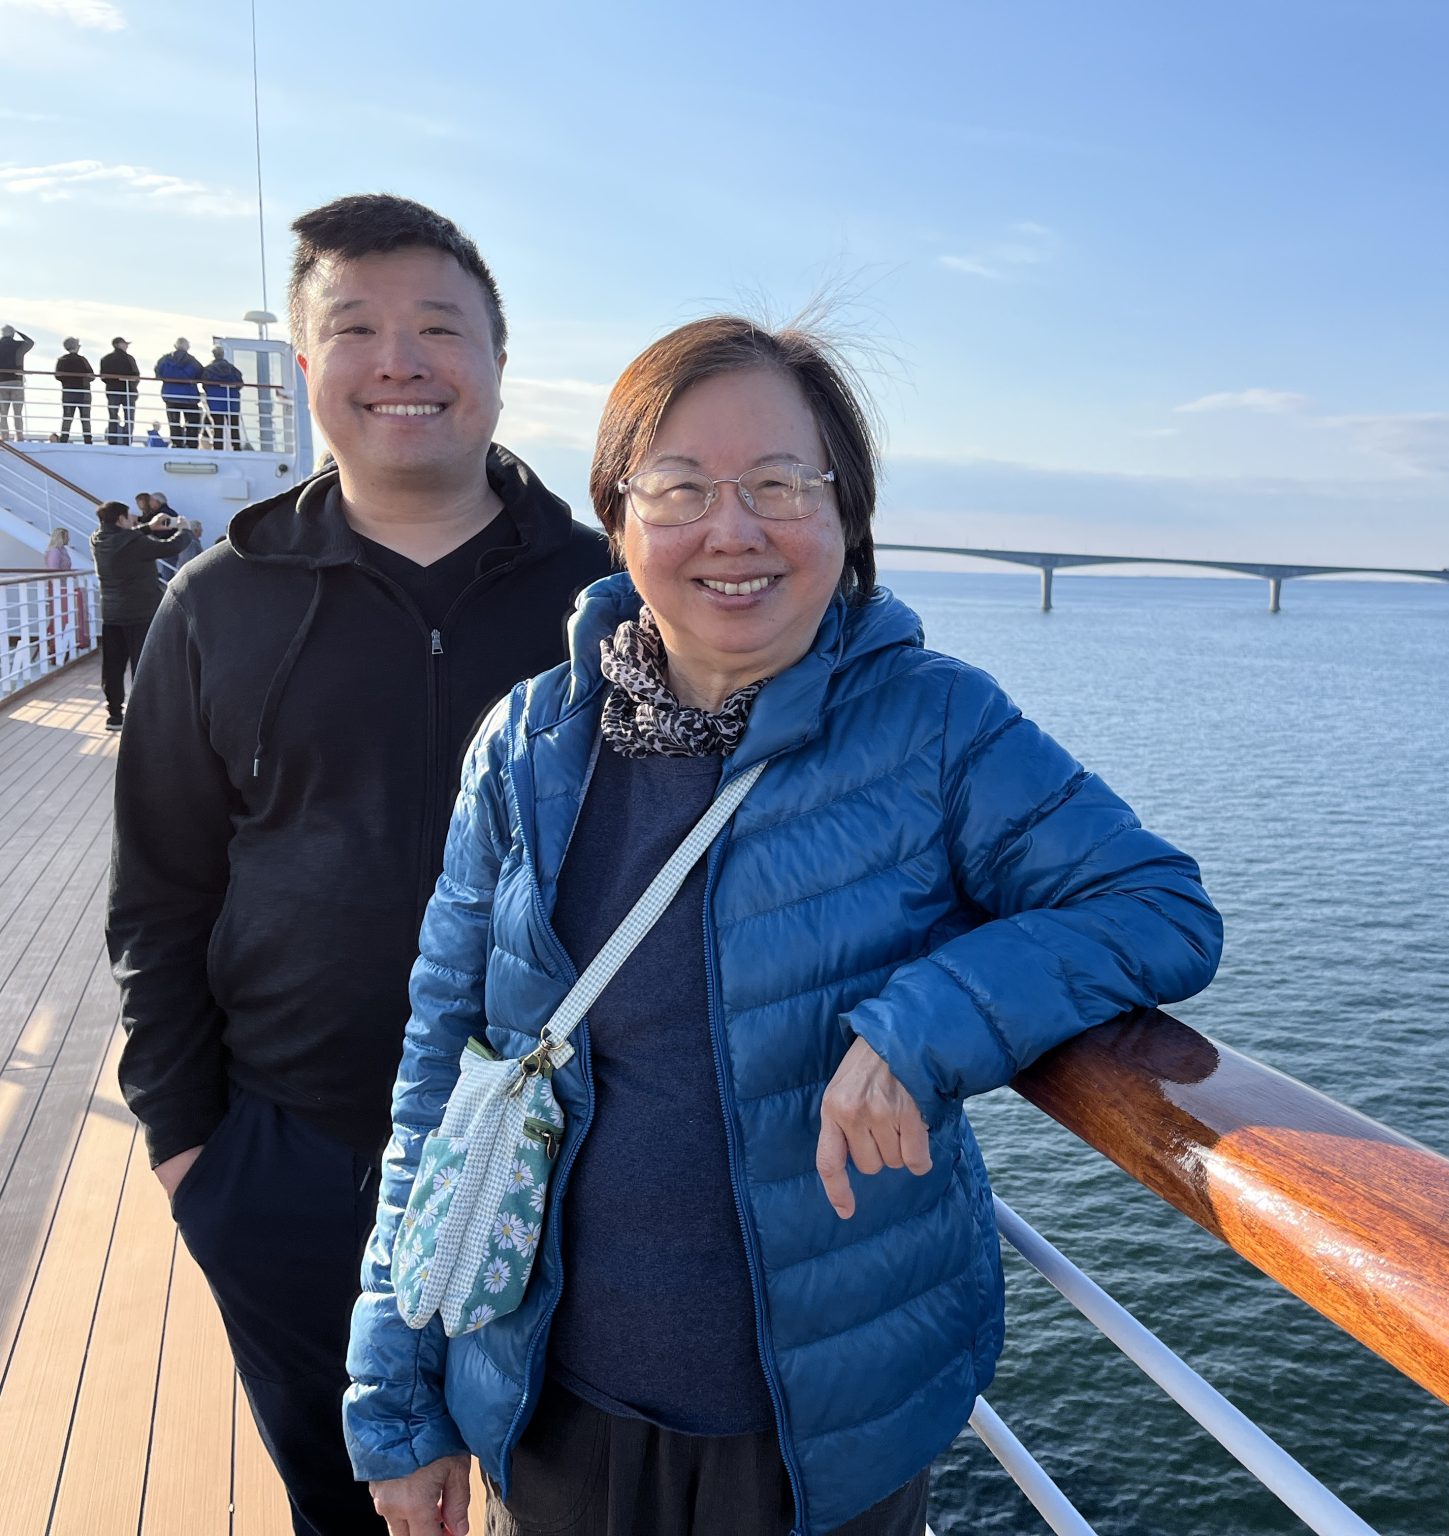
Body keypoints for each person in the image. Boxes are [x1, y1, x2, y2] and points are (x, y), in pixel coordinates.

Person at [343, 316, 1226, 1536]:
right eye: (680, 487)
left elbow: (1156, 906)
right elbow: (440, 1075)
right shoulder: (530, 743)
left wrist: (930, 1023)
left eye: (778, 483)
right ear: (617, 517)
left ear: (844, 514)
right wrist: (397, 1398)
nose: (734, 529)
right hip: (547, 1403)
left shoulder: (933, 726)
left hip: (827, 1432)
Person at [107, 193, 613, 1536]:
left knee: (573, 1504)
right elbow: (158, 893)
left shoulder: (611, 600)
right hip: (295, 1160)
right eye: (355, 329)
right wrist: (193, 1154)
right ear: (303, 365)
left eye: (439, 326)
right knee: (349, 1512)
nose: (400, 361)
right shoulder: (218, 601)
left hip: (581, 1163)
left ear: (497, 360)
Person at [89, 499, 183, 729]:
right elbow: (170, 547)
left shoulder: (97, 539)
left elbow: (124, 539)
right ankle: (144, 716)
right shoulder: (133, 542)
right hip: (140, 614)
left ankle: (114, 715)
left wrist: (149, 527)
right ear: (120, 519)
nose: (133, 519)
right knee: (143, 666)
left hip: (111, 615)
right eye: (129, 516)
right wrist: (185, 530)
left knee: (113, 667)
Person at [42, 526, 90, 655]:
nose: (69, 539)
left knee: (66, 615)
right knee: (60, 615)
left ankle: (65, 642)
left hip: (64, 586)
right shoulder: (55, 552)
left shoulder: (62, 550)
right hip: (59, 587)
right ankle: (56, 645)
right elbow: (53, 570)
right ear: (61, 537)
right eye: (67, 536)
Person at [154, 337, 205, 447]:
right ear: (187, 347)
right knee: (192, 422)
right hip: (189, 397)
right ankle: (191, 444)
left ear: (175, 346)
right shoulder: (193, 361)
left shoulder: (165, 360)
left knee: (174, 422)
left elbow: (158, 373)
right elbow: (201, 375)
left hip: (171, 396)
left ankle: (176, 443)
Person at [202, 345, 246, 450]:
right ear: (223, 354)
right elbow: (240, 383)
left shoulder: (208, 370)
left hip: (216, 401)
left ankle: (218, 447)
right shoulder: (233, 369)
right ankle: (236, 447)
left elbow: (205, 384)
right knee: (234, 425)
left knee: (218, 426)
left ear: (213, 355)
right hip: (231, 400)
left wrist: (212, 392)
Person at [54, 337, 95, 443]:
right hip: (83, 392)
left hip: (68, 392)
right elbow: (91, 376)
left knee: (67, 417)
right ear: (76, 346)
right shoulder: (82, 360)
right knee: (85, 417)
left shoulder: (62, 360)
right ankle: (88, 440)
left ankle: (64, 439)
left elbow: (58, 376)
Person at [101, 336, 141, 445]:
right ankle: (127, 440)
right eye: (125, 343)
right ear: (118, 345)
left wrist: (115, 381)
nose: (127, 346)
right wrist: (130, 383)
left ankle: (113, 440)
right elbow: (136, 376)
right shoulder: (129, 359)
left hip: (113, 390)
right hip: (128, 391)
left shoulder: (106, 359)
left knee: (113, 415)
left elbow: (104, 377)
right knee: (129, 416)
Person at [0, 324, 32, 440]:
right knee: (17, 412)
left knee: (3, 413)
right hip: (16, 381)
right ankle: (19, 436)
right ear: (12, 334)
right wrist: (19, 332)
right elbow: (30, 342)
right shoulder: (19, 345)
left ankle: (4, 436)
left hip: (1, 382)